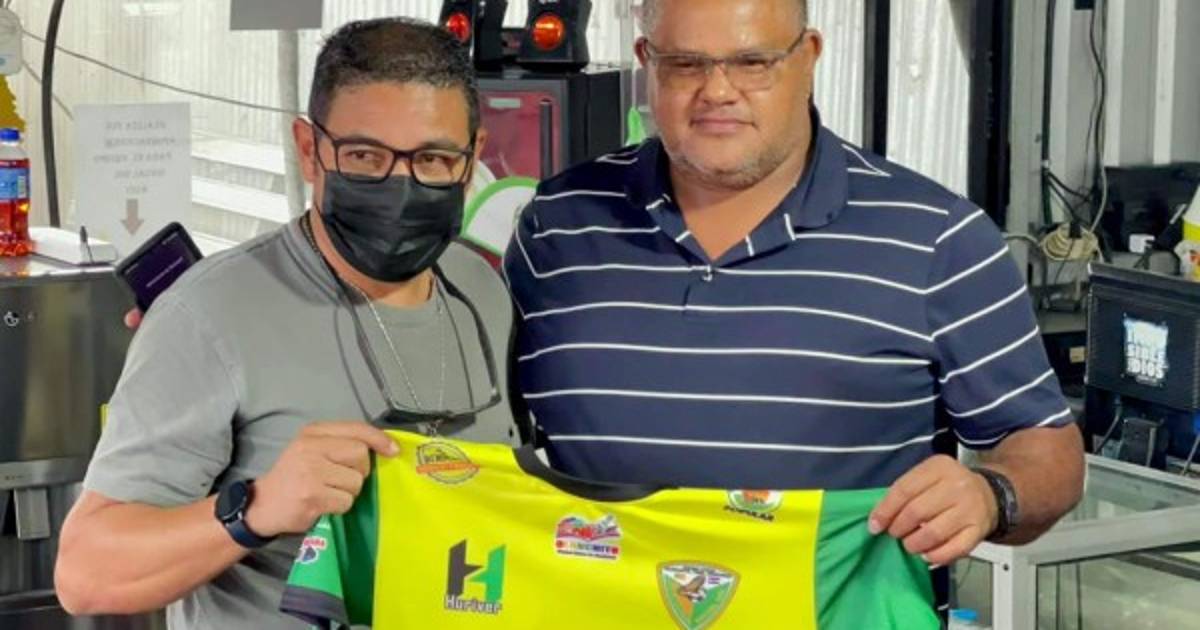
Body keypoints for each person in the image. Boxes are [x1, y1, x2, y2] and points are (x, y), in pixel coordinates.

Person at [503, 0, 1084, 588]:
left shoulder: (938, 239)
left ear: (808, 57)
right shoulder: (557, 225)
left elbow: (1047, 449)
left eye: (753, 62)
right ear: (645, 62)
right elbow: (489, 435)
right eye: (685, 64)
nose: (718, 91)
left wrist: (990, 495)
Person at [55, 18, 518, 629]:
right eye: (364, 156)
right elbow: (86, 573)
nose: (400, 187)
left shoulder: (483, 289)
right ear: (308, 149)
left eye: (433, 159)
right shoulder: (208, 313)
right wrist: (255, 509)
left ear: (472, 157)